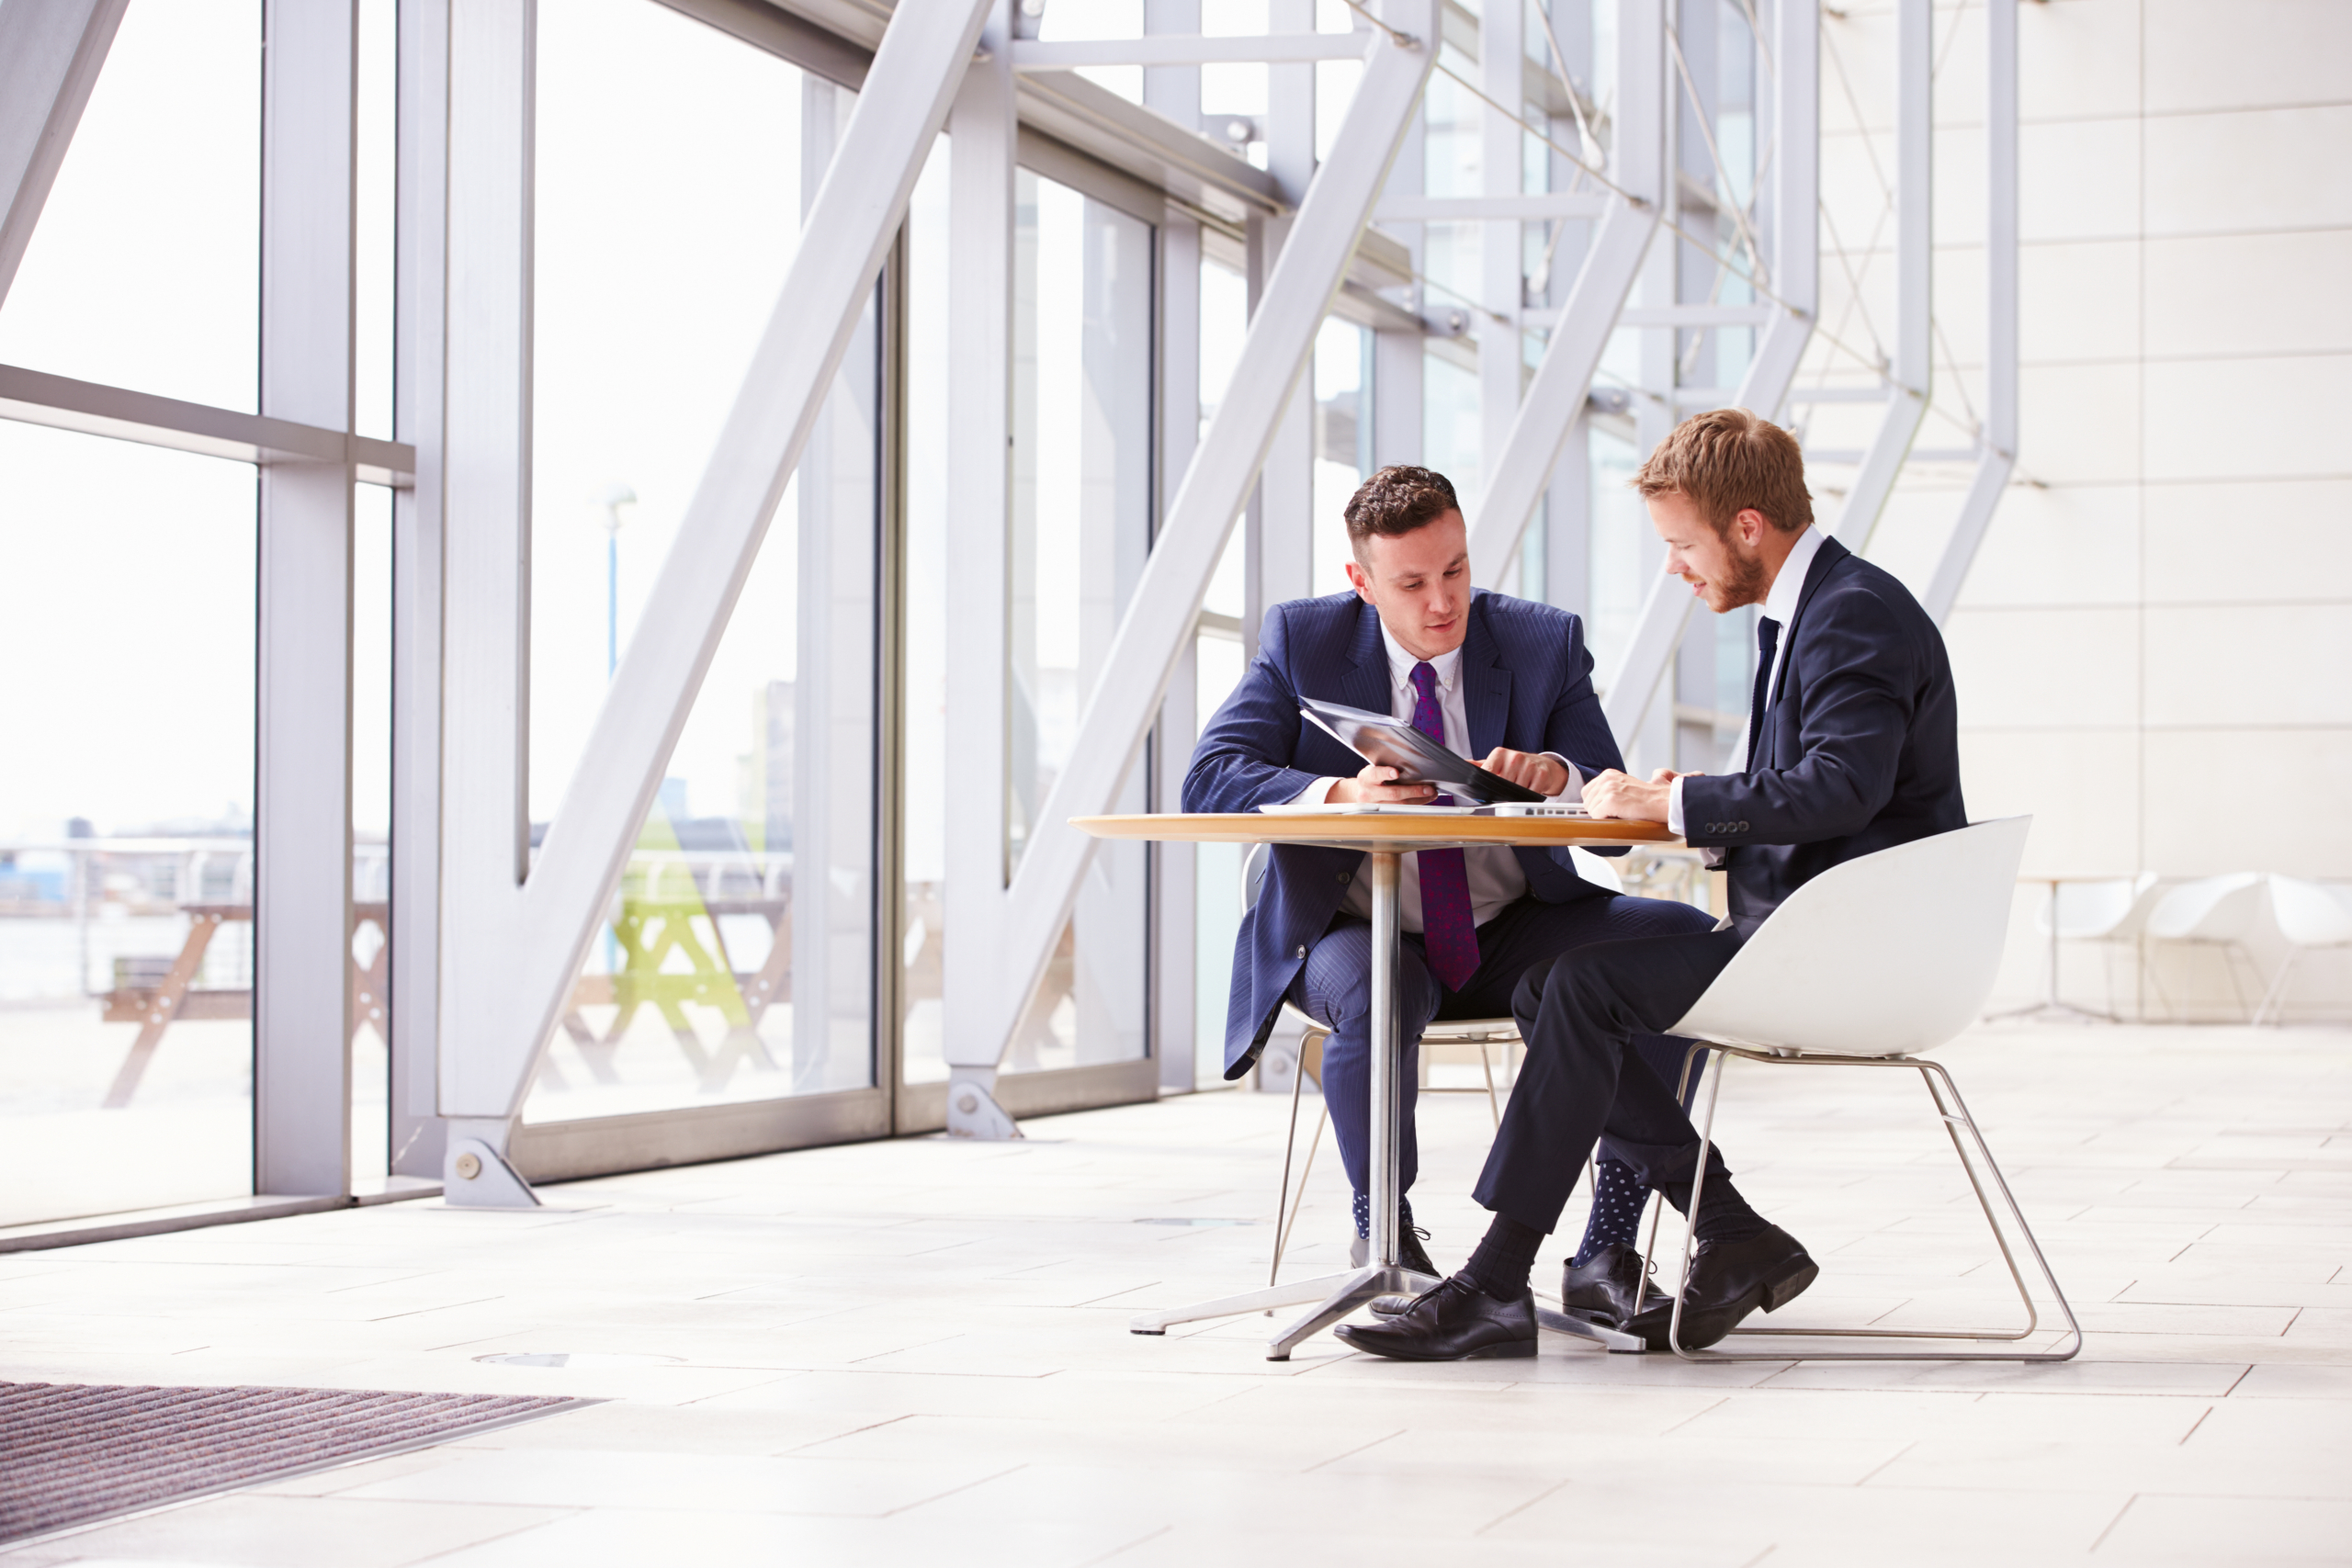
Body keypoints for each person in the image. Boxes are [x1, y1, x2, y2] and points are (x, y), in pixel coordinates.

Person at [1339, 407, 1968, 1361]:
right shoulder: (1818, 608)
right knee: (1560, 985)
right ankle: (1724, 1231)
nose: (1676, 567)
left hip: (1853, 951)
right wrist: (1680, 802)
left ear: (1746, 527)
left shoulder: (1851, 615)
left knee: (1580, 987)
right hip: (1832, 931)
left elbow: (1841, 789)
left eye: (1682, 545)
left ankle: (1497, 1283)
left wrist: (1679, 809)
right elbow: (1825, 789)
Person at [1183, 465, 1718, 1285]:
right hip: (1354, 933)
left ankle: (1609, 1241)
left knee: (1678, 943)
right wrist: (1341, 790)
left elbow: (1615, 820)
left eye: (1457, 569)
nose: (1443, 601)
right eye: (1413, 582)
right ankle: (1386, 1235)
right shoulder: (1305, 640)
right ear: (1361, 583)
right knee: (1379, 987)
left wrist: (1560, 777)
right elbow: (1211, 776)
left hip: (1510, 935)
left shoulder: (1542, 641)